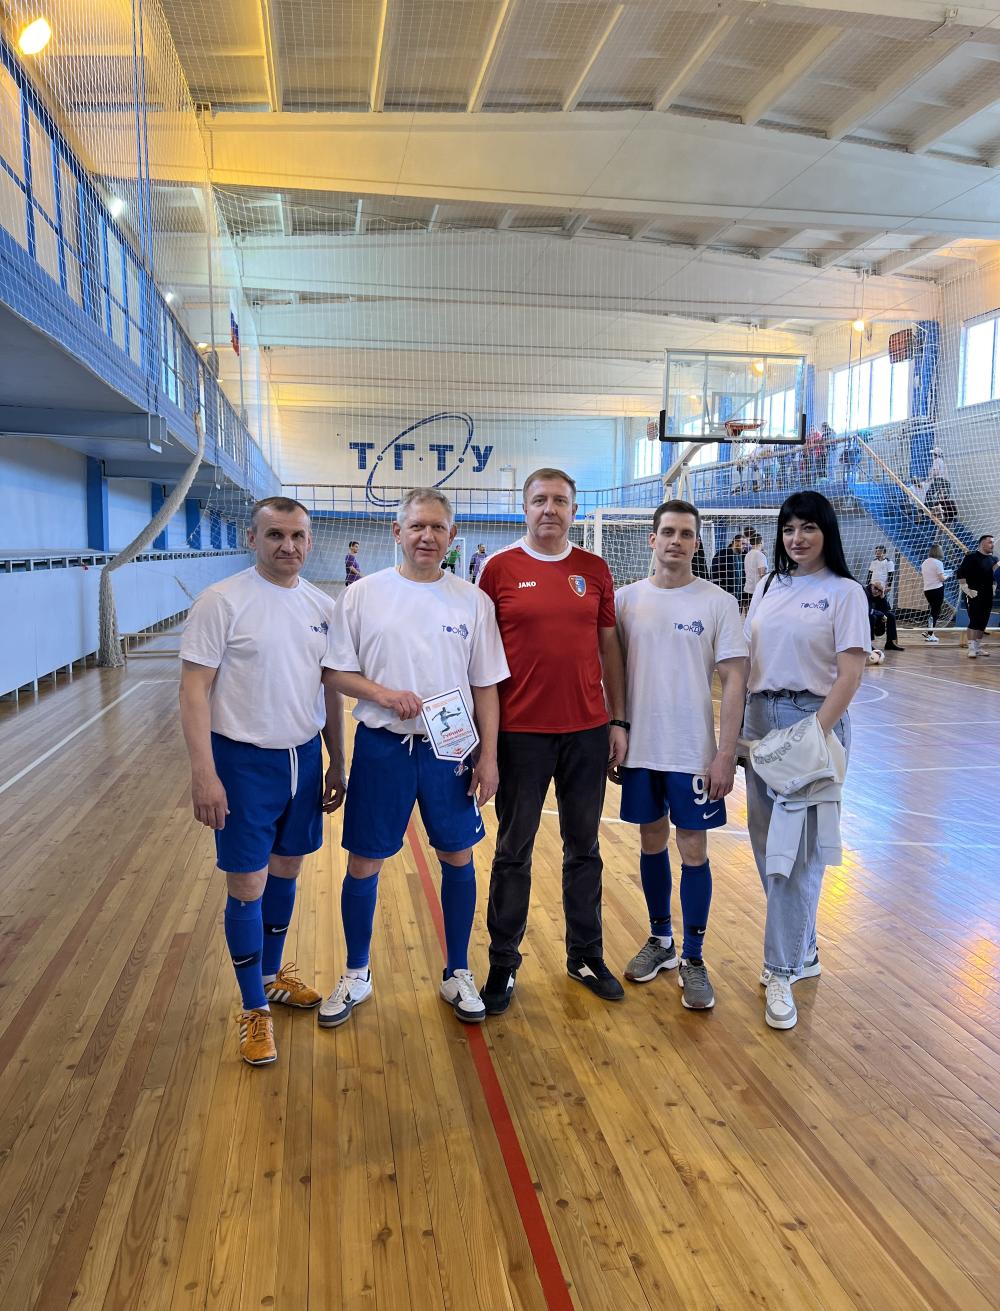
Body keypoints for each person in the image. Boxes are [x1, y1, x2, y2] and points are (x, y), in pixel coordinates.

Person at [318, 489, 509, 1029]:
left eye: (438, 527)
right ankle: (356, 972)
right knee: (364, 861)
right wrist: (382, 694)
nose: (428, 536)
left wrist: (489, 757)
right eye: (417, 526)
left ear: (452, 536)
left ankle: (457, 971)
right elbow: (335, 672)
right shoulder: (362, 595)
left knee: (458, 856)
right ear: (397, 532)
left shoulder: (472, 601)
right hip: (383, 748)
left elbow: (486, 685)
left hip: (452, 751)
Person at [179, 496, 347, 1067]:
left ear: (310, 541)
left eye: (298, 536)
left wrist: (338, 759)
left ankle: (272, 978)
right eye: (275, 534)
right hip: (242, 763)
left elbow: (330, 689)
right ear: (253, 538)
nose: (288, 546)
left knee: (287, 868)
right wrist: (204, 773)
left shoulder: (322, 606)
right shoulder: (222, 601)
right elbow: (194, 691)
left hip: (303, 758)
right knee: (247, 884)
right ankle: (254, 1008)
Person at [477, 467, 628, 1012]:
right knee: (512, 851)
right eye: (540, 499)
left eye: (560, 501)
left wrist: (619, 720)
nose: (549, 509)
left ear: (573, 510)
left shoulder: (594, 569)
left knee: (584, 849)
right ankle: (503, 963)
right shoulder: (498, 569)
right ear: (525, 508)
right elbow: (480, 658)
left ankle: (585, 955)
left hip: (586, 732)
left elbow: (609, 648)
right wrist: (485, 742)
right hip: (520, 735)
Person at [743, 490, 869, 1031]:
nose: (797, 538)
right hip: (759, 717)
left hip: (812, 719)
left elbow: (851, 674)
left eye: (808, 528)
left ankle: (781, 970)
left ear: (827, 532)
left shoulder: (845, 592)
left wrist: (810, 736)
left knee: (795, 857)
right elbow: (750, 656)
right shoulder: (768, 585)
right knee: (766, 847)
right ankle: (805, 947)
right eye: (789, 528)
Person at [613, 500, 747, 1010]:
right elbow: (609, 673)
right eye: (667, 532)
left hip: (693, 752)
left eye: (686, 534)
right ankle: (661, 940)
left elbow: (735, 680)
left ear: (696, 542)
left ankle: (693, 957)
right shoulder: (626, 601)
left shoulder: (717, 602)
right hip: (641, 748)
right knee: (650, 842)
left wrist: (725, 753)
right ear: (652, 539)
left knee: (693, 849)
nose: (676, 541)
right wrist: (614, 730)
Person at [956, 534, 998, 658]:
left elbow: (994, 576)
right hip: (973, 594)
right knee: (974, 621)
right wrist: (966, 589)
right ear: (982, 543)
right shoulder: (971, 557)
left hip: (987, 595)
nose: (992, 545)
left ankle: (978, 647)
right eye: (990, 542)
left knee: (983, 622)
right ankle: (971, 648)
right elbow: (960, 573)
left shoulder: (993, 559)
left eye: (993, 542)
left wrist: (993, 587)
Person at [865, 579, 904, 651]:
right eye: (875, 588)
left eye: (880, 590)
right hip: (865, 617)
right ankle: (868, 644)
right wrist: (881, 614)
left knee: (891, 616)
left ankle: (890, 643)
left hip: (877, 619)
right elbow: (866, 610)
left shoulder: (880, 596)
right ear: (871, 586)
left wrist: (883, 598)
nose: (877, 591)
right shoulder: (865, 593)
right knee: (872, 616)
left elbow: (886, 610)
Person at [921, 544, 947, 642]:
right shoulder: (938, 563)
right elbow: (942, 578)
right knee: (935, 612)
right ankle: (930, 634)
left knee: (932, 611)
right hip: (936, 589)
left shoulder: (925, 562)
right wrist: (948, 575)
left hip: (927, 590)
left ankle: (928, 631)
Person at [710, 533, 745, 603]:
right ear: (735, 542)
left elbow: (743, 576)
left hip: (738, 596)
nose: (745, 546)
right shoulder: (722, 554)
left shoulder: (742, 556)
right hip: (725, 595)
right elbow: (714, 574)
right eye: (743, 544)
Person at [743, 532, 767, 612]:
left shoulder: (747, 554)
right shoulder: (760, 555)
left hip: (747, 590)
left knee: (748, 616)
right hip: (757, 592)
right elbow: (762, 575)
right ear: (761, 542)